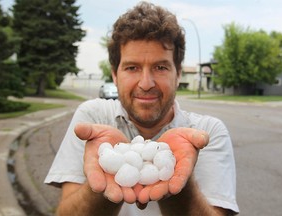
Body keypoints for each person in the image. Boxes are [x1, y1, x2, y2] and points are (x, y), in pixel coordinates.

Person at [45, 1, 239, 215]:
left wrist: (180, 181)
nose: (146, 83)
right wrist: (105, 173)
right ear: (115, 74)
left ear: (178, 74)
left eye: (160, 67)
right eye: (132, 67)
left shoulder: (207, 132)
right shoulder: (92, 118)